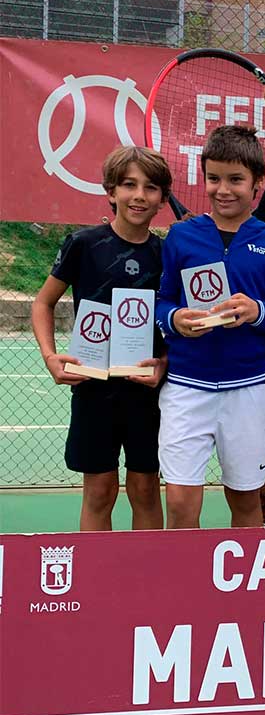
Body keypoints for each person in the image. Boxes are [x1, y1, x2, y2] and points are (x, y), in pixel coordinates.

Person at [155, 124, 265, 529]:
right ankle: (184, 592)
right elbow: (161, 302)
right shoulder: (182, 236)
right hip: (186, 388)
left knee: (246, 503)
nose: (224, 189)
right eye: (214, 178)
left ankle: (245, 594)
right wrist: (175, 319)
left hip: (250, 390)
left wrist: (257, 311)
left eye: (236, 179)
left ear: (258, 182)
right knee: (181, 507)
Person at [32, 146, 172, 531]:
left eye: (151, 187)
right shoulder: (84, 244)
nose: (139, 195)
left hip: (147, 390)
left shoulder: (167, 253)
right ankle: (96, 584)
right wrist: (50, 357)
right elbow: (42, 304)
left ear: (162, 198)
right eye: (129, 185)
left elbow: (176, 322)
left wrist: (165, 363)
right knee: (99, 490)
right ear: (111, 191)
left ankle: (145, 580)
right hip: (93, 387)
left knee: (145, 489)